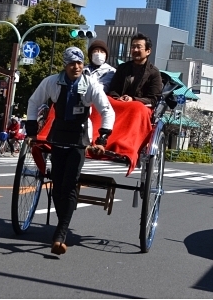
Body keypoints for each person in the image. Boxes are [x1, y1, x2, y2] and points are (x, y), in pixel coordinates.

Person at [25, 46, 115, 255]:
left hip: (80, 136)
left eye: (80, 63)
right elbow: (33, 102)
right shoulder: (52, 82)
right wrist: (31, 130)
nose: (76, 67)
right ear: (65, 65)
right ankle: (62, 224)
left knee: (70, 183)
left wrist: (102, 138)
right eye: (72, 63)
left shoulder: (90, 84)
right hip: (58, 135)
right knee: (57, 183)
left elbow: (106, 110)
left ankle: (60, 233)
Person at [108, 34, 163, 106]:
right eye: (133, 47)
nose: (135, 50)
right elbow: (113, 89)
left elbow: (153, 99)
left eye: (139, 47)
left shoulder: (154, 73)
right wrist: (118, 98)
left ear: (148, 51)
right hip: (120, 103)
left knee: (137, 108)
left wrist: (133, 99)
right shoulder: (122, 68)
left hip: (140, 107)